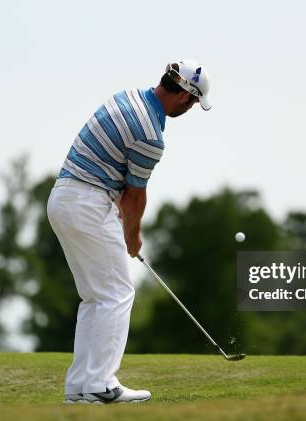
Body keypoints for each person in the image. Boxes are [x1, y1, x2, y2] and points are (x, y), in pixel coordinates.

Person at [47, 59, 211, 404]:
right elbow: (134, 194)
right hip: (88, 203)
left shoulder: (126, 96)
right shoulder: (151, 134)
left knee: (96, 297)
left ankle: (80, 387)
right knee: (117, 294)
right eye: (194, 103)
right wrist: (132, 237)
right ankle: (99, 384)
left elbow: (124, 191)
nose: (191, 108)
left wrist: (125, 229)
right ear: (184, 97)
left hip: (64, 197)